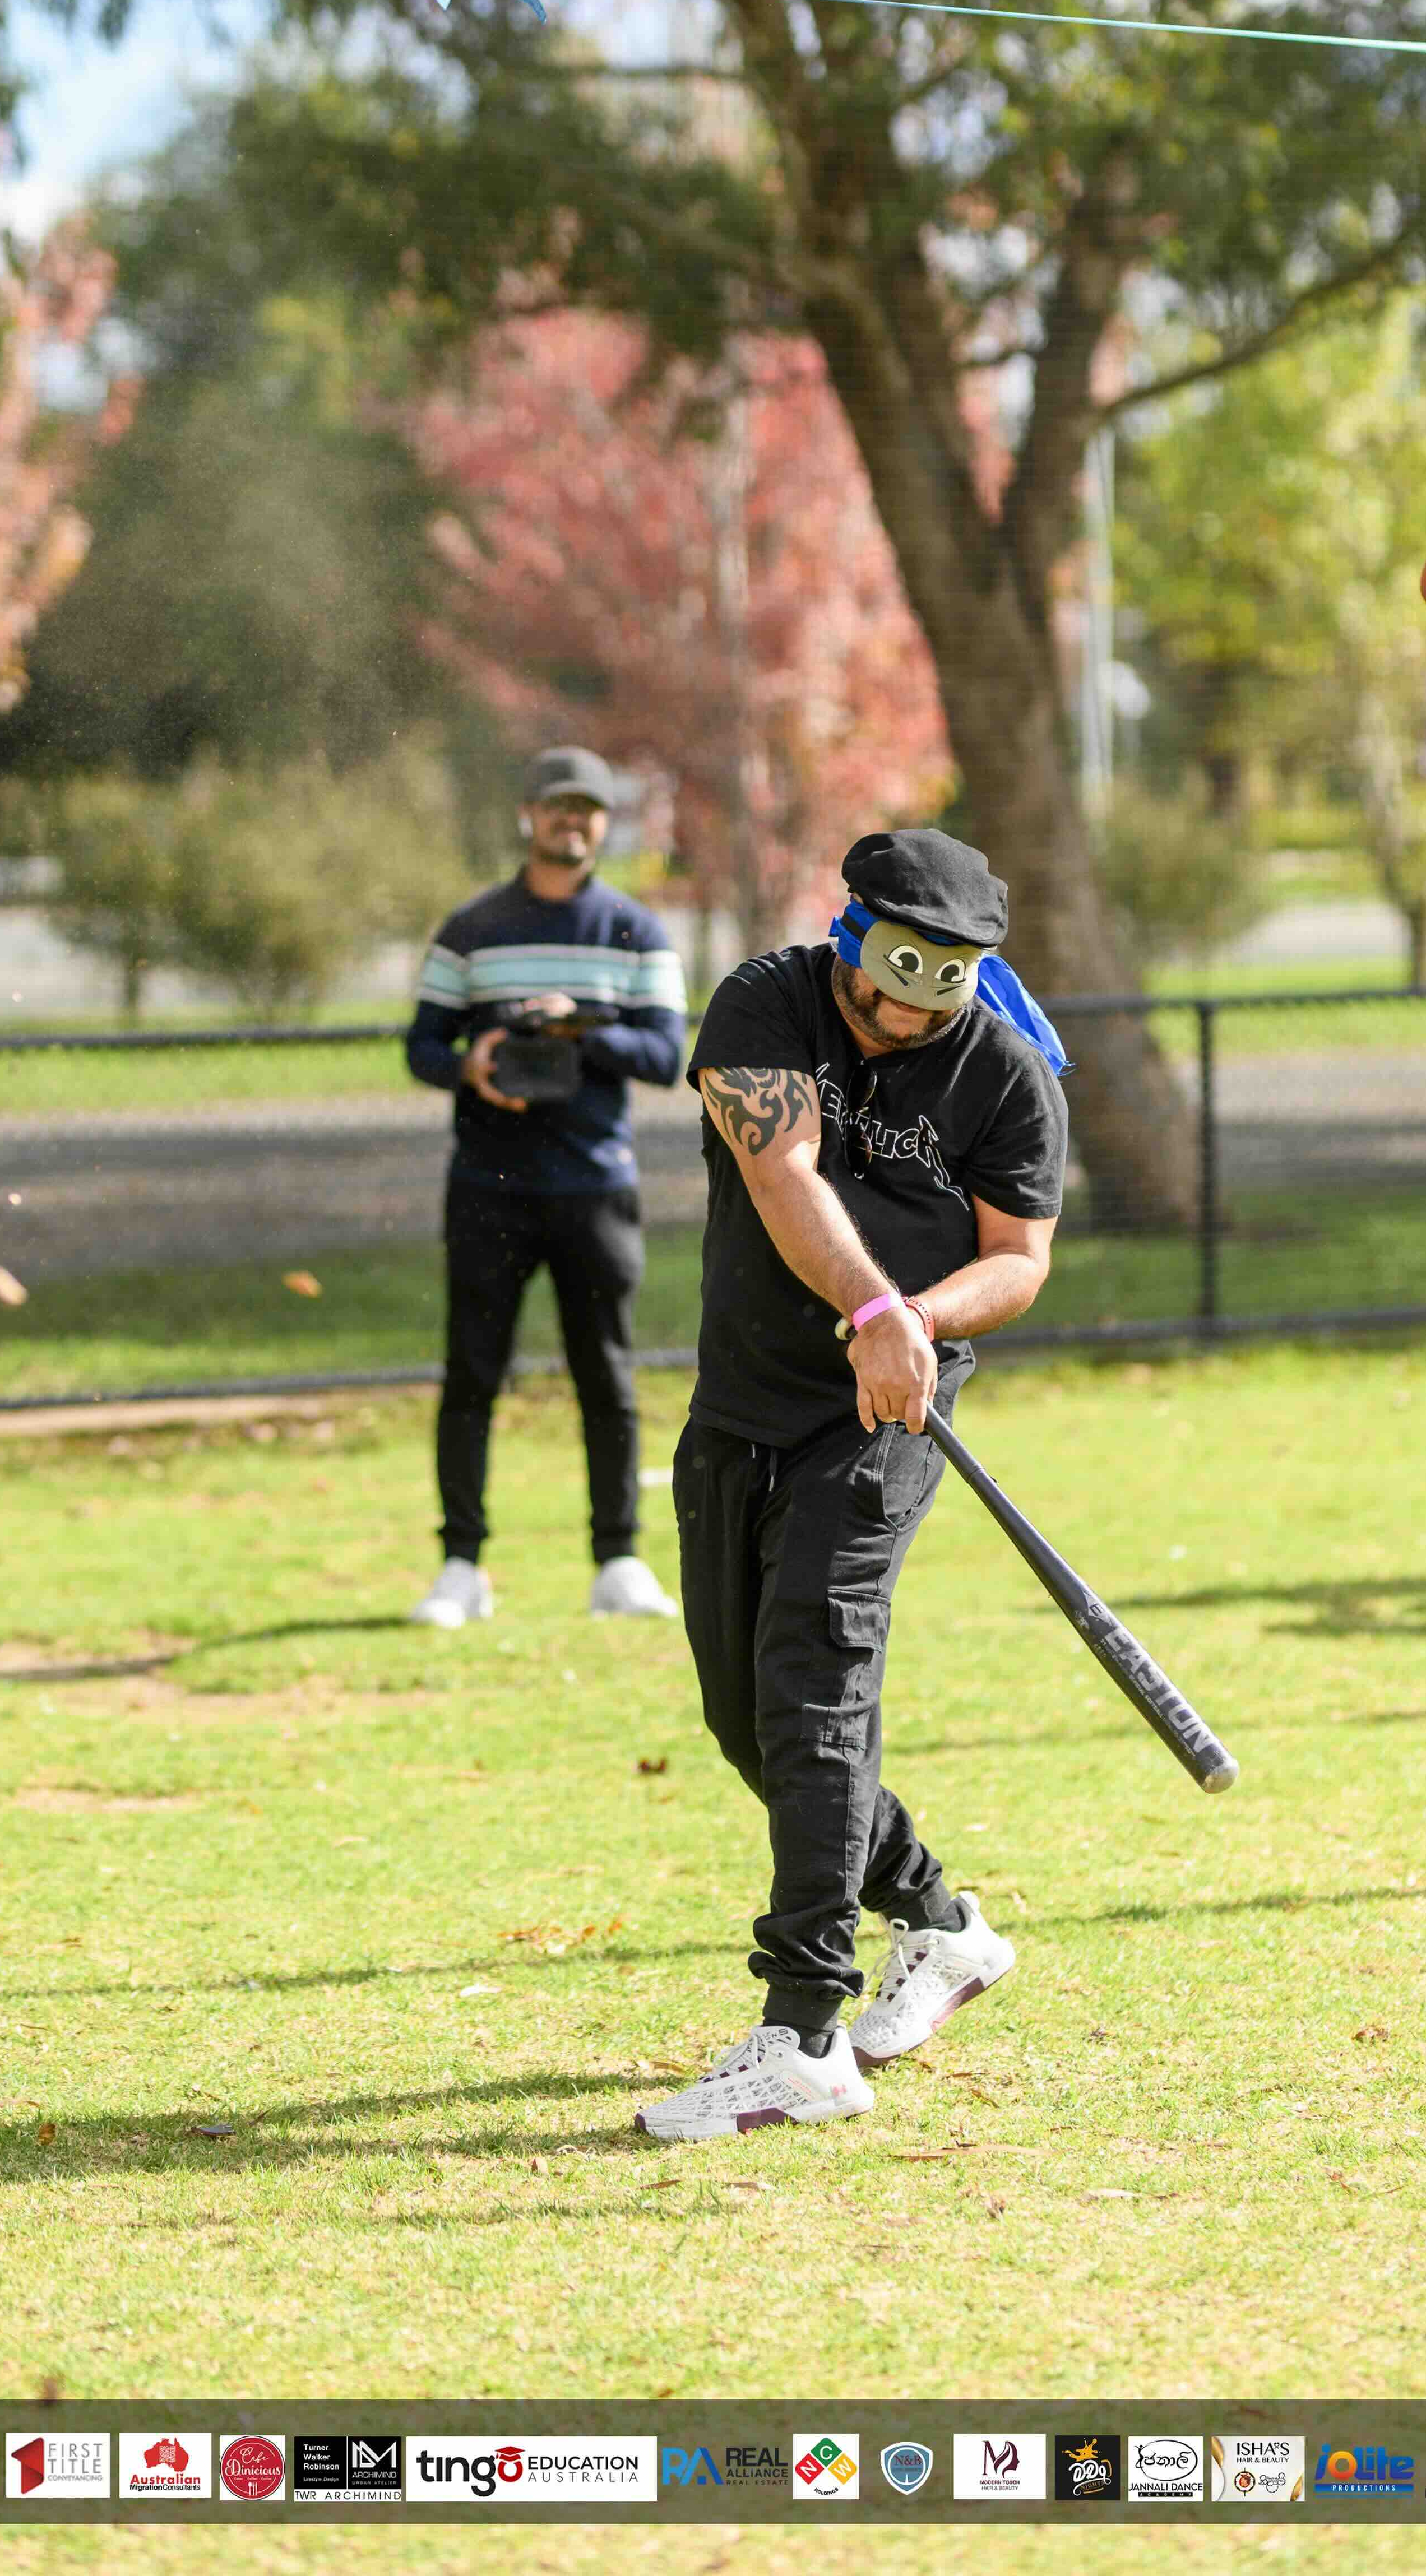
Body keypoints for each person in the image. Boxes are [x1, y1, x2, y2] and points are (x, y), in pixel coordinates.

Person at [638, 824, 1068, 2142]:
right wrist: (874, 1303)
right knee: (746, 1721)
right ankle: (937, 1922)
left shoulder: (1006, 1075)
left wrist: (917, 1323)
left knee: (815, 1686)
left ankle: (802, 2033)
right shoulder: (762, 1006)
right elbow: (781, 1172)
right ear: (850, 942)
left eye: (938, 986)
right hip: (741, 1403)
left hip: (886, 1415)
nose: (904, 1014)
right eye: (889, 978)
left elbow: (1020, 1258)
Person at [404, 745, 688, 1627]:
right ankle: (461, 1566)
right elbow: (421, 1046)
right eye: (558, 805)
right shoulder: (471, 928)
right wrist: (473, 1063)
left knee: (607, 1376)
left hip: (596, 1186)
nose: (574, 821)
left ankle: (619, 1561)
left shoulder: (637, 931)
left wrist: (579, 1029)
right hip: (486, 1185)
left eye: (589, 808)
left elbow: (666, 1056)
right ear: (528, 814)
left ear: (605, 823)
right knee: (472, 1376)